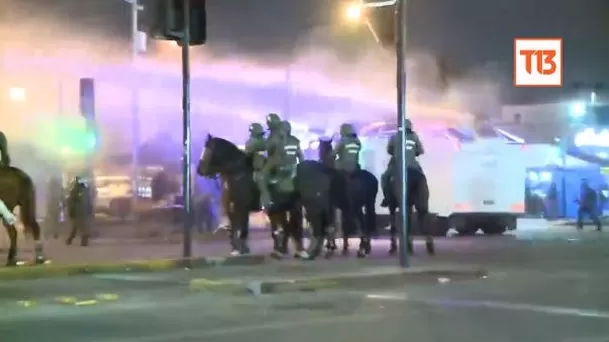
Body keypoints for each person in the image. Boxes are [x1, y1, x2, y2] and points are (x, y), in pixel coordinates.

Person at [380, 119, 424, 207]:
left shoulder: (395, 136)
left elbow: (389, 150)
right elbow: (420, 151)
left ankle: (387, 198)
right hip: (413, 165)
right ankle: (422, 198)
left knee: (385, 177)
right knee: (421, 177)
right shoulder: (414, 136)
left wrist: (397, 152)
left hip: (398, 165)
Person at [259, 113, 287, 208]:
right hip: (284, 158)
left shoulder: (276, 133)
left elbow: (269, 146)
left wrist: (261, 145)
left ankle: (266, 200)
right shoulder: (281, 131)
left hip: (276, 159)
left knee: (261, 176)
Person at [244, 122, 268, 209]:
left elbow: (248, 154)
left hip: (260, 169)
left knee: (260, 183)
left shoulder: (257, 142)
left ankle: (264, 204)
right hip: (256, 167)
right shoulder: (263, 141)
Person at [66, 176, 94, 246]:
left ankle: (81, 241)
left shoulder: (78, 190)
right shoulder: (80, 190)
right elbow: (72, 201)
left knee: (80, 227)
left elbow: (71, 201)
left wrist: (71, 210)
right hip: (80, 212)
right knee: (77, 227)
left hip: (80, 212)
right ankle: (71, 239)